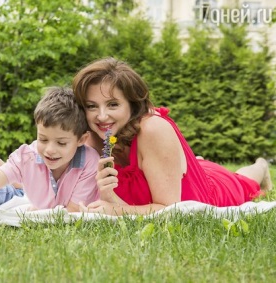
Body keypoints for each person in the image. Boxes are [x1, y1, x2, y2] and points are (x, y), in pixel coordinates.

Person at [72, 57, 273, 216]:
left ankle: (261, 166)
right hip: (172, 170)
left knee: (243, 182)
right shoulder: (94, 138)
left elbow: (170, 211)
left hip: (209, 192)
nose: (101, 116)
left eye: (113, 104)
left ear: (132, 104)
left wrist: (117, 211)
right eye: (91, 106)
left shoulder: (153, 130)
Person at [0, 87, 99, 212]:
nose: (50, 150)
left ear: (81, 140)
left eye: (61, 143)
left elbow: (72, 212)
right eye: (43, 139)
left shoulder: (90, 161)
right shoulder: (26, 156)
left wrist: (41, 211)